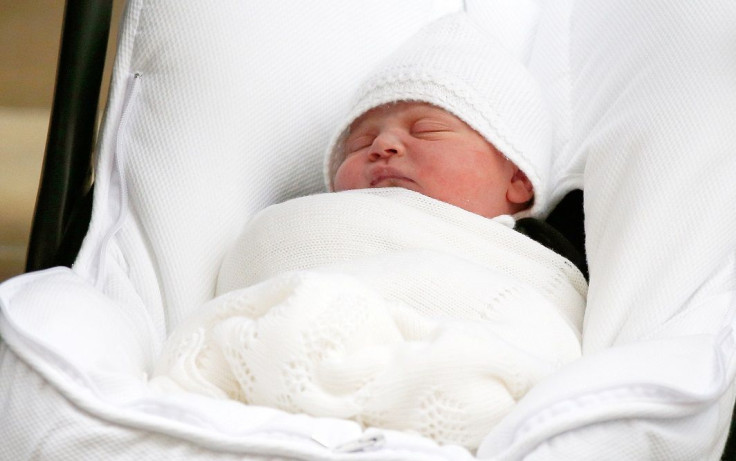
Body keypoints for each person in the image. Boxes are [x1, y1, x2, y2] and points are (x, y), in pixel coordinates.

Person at [150, 13, 587, 451]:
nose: (384, 146)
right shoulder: (315, 222)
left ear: (518, 180)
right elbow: (258, 273)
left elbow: (542, 340)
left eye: (427, 130)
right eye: (360, 144)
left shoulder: (526, 260)